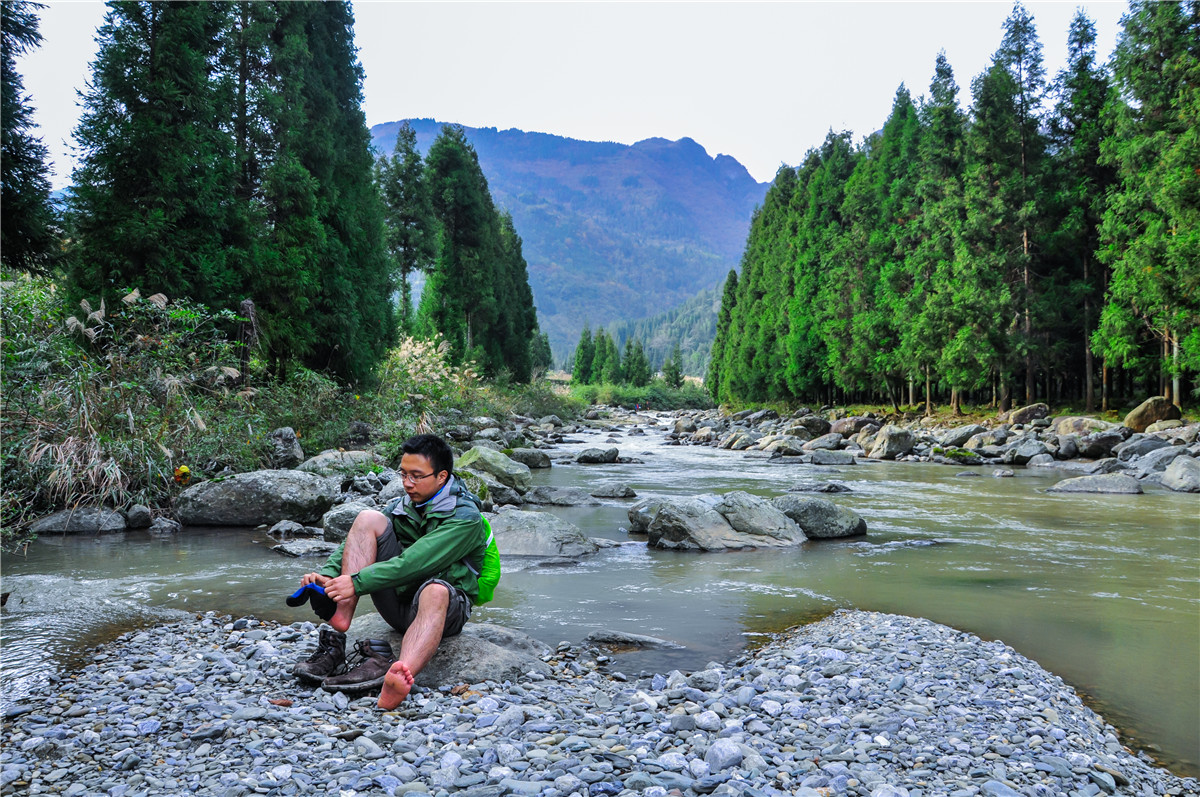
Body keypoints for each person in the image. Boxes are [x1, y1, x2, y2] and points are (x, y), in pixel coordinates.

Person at [291, 433, 486, 708]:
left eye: (417, 476)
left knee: (435, 590)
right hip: (400, 604)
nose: (407, 483)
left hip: (443, 610)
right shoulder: (401, 506)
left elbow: (414, 563)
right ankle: (341, 614)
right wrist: (332, 578)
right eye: (403, 473)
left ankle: (399, 675)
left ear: (441, 477)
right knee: (367, 518)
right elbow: (354, 543)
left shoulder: (466, 518)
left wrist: (357, 582)